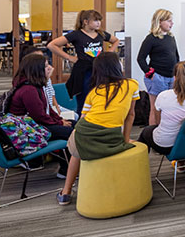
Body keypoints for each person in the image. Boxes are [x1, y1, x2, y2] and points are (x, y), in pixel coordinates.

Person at [56, 52, 139, 205]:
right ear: (117, 66)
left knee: (76, 151)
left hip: (84, 133)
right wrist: (126, 140)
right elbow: (130, 115)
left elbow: (82, 120)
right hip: (111, 136)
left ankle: (66, 192)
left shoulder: (93, 92)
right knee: (80, 143)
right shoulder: (132, 84)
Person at [9, 53, 73, 177]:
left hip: (33, 126)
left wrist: (60, 120)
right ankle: (66, 171)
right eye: (45, 66)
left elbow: (47, 108)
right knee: (70, 132)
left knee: (73, 124)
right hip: (29, 131)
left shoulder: (33, 85)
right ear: (37, 70)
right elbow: (39, 116)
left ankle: (70, 167)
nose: (49, 68)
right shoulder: (29, 90)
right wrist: (60, 123)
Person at [48, 10, 119, 118]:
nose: (98, 23)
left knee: (101, 97)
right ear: (85, 22)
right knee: (85, 98)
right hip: (83, 71)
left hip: (100, 70)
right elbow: (52, 45)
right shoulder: (76, 34)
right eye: (95, 20)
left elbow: (116, 41)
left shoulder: (101, 34)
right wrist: (69, 57)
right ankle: (82, 123)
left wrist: (109, 52)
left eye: (99, 20)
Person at [138, 60, 185, 162]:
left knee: (146, 132)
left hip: (165, 145)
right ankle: (182, 163)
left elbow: (158, 122)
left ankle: (140, 167)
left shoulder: (163, 96)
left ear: (175, 77)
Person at [137, 9, 180, 127]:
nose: (172, 23)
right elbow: (140, 58)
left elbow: (176, 57)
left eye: (172, 21)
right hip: (157, 78)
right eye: (169, 21)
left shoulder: (171, 38)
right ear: (159, 22)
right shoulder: (151, 38)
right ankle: (153, 134)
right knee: (156, 108)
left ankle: (165, 133)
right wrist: (150, 74)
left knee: (169, 107)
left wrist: (177, 75)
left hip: (171, 78)